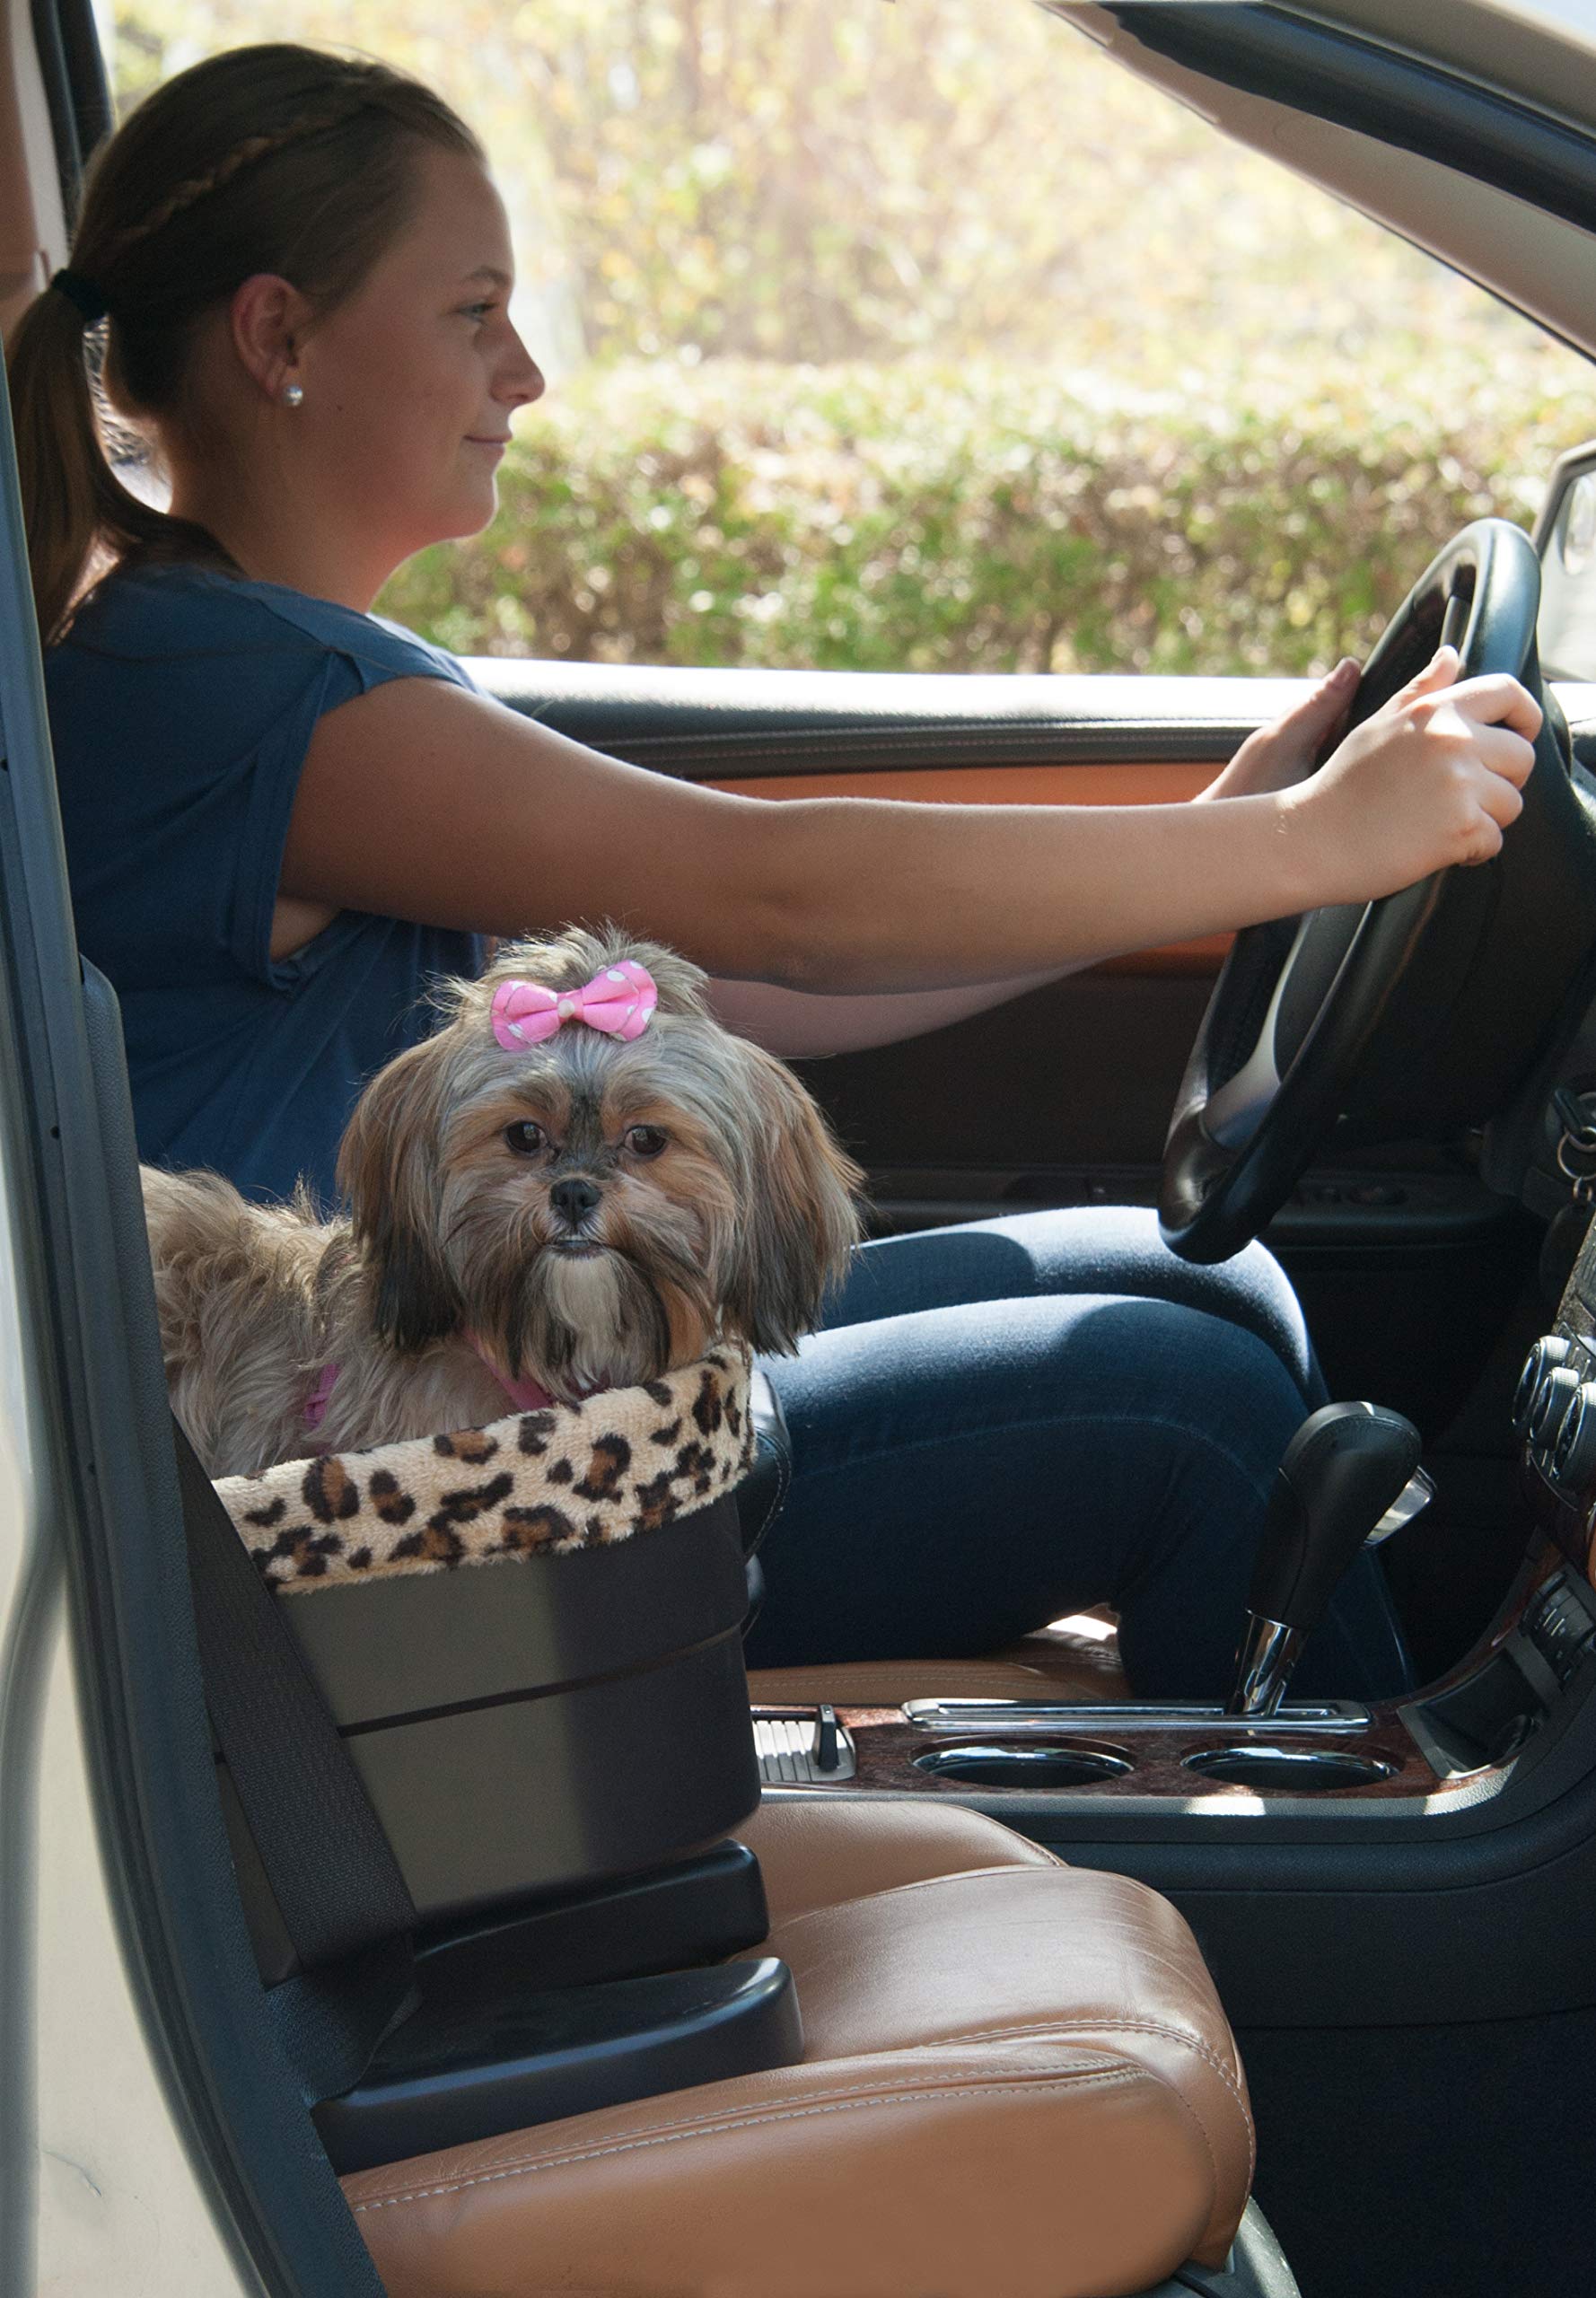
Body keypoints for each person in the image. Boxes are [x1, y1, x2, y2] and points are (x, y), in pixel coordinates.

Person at [7, 43, 1540, 1699]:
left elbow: (729, 990)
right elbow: (778, 900)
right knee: (1185, 1406)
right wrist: (1304, 843)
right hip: (390, 1500)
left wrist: (1219, 855)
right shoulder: (256, 699)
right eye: (473, 310)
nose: (522, 372)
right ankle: (1401, 1911)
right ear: (277, 337)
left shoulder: (252, 659)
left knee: (1208, 1286)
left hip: (473, 1389)